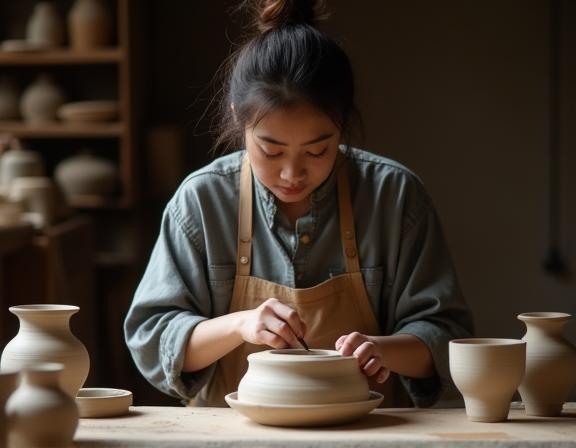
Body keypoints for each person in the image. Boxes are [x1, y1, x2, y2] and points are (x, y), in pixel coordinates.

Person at [124, 0, 474, 408]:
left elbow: (449, 335)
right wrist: (240, 325)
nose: (292, 174)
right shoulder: (202, 201)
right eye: (271, 151)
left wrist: (384, 350)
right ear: (240, 120)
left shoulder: (393, 197)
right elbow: (153, 340)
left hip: (366, 434)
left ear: (341, 125)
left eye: (317, 151)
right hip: (234, 437)